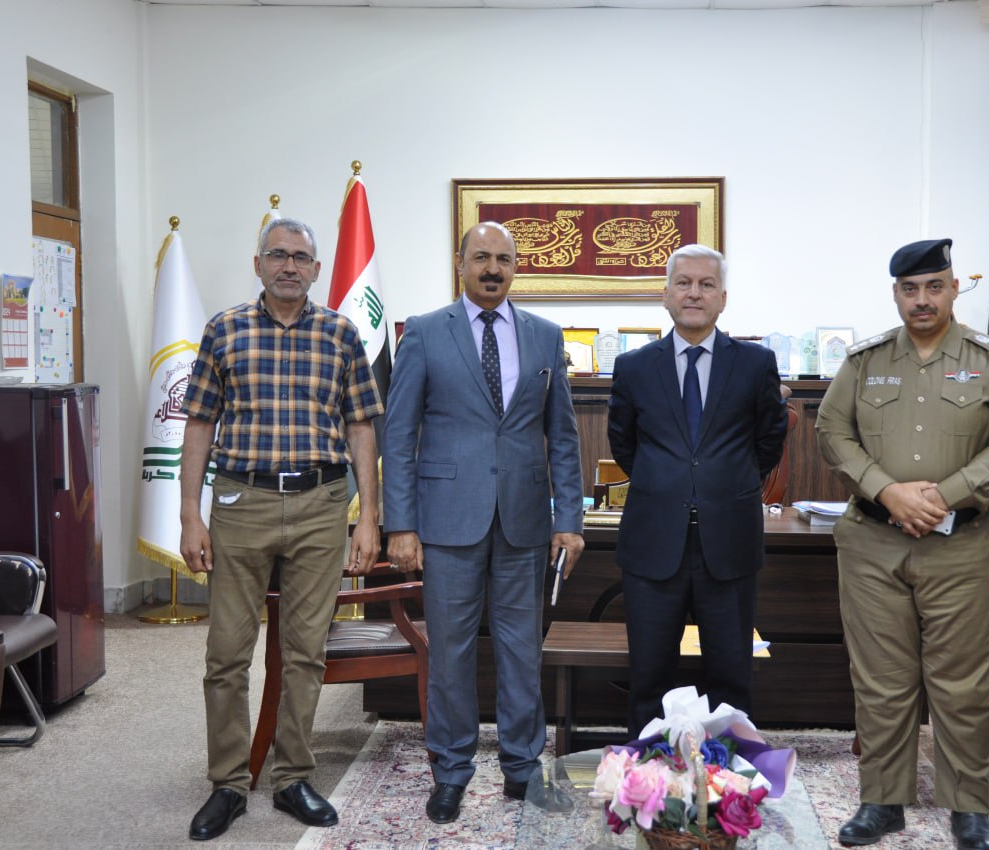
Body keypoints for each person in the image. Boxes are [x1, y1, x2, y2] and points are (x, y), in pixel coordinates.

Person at [815, 238, 989, 849]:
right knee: (881, 681)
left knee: (963, 682)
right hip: (873, 543)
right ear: (895, 293)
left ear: (952, 289)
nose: (922, 299)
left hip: (964, 546)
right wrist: (887, 491)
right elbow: (832, 429)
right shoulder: (864, 360)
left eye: (934, 287)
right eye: (910, 289)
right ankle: (882, 802)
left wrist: (946, 494)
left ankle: (969, 808)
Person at [179, 217, 383, 841]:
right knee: (227, 654)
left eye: (301, 257)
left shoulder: (341, 333)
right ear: (258, 263)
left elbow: (362, 428)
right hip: (242, 503)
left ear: (318, 270)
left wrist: (369, 516)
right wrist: (189, 514)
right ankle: (228, 783)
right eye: (278, 255)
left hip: (322, 504)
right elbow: (198, 426)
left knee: (304, 652)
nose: (289, 265)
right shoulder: (225, 329)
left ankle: (293, 775)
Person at [380, 221, 585, 824]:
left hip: (524, 521)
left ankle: (522, 768)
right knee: (450, 651)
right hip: (446, 522)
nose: (492, 268)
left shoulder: (545, 336)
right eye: (481, 258)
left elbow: (563, 437)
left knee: (523, 651)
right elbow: (399, 432)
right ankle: (451, 769)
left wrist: (568, 519)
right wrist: (402, 525)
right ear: (460, 262)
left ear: (517, 266)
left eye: (503, 259)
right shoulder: (422, 333)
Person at [607, 243, 789, 736]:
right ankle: (644, 790)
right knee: (649, 676)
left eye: (706, 284)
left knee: (731, 674)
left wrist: (721, 484)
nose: (694, 293)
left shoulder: (754, 363)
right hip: (652, 542)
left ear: (723, 298)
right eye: (683, 283)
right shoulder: (635, 367)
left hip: (728, 541)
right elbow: (624, 444)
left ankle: (729, 789)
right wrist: (671, 483)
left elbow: (769, 440)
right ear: (665, 295)